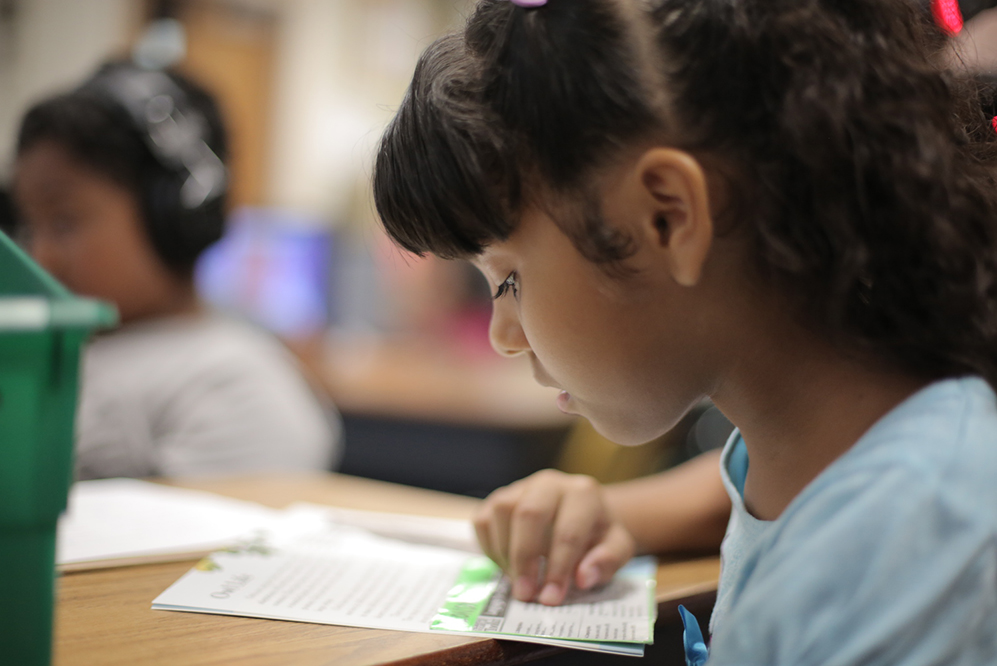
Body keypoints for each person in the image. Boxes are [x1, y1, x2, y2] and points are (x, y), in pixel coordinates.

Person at [372, 0, 997, 663]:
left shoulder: (912, 535)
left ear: (666, 218)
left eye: (509, 279)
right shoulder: (794, 452)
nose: (505, 334)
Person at [12, 63, 342, 480]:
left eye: (63, 223)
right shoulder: (43, 356)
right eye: (29, 227)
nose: (39, 257)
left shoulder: (236, 384)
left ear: (175, 217)